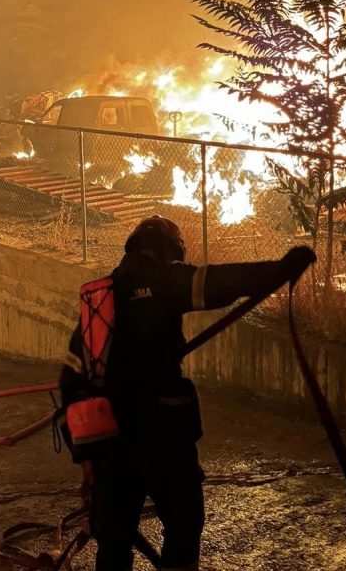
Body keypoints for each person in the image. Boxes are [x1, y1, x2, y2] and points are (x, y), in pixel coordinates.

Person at [58, 215, 315, 571]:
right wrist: (281, 268)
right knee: (184, 522)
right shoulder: (164, 278)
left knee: (114, 537)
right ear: (170, 251)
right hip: (162, 437)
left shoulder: (99, 301)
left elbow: (70, 380)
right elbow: (220, 282)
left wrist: (84, 456)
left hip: (110, 444)